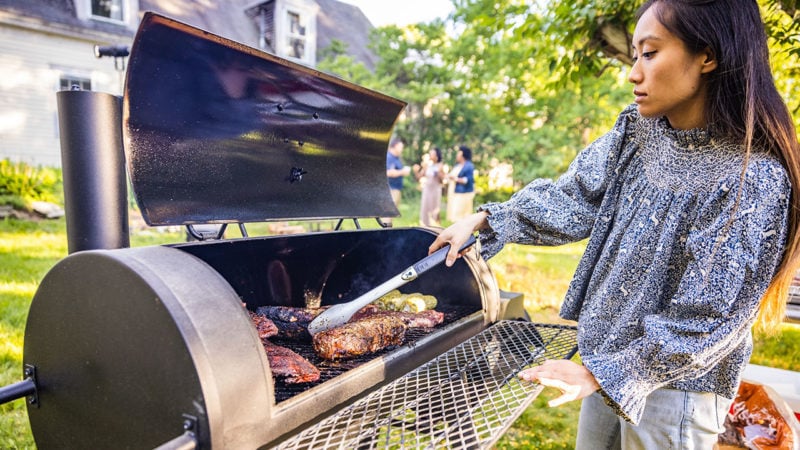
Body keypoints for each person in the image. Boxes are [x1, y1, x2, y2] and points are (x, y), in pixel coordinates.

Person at [429, 0, 800, 448]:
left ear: (708, 56)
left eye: (650, 53)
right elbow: (576, 196)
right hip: (603, 363)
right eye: (636, 54)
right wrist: (488, 219)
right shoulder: (638, 131)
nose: (633, 73)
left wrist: (604, 374)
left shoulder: (752, 177)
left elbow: (709, 317)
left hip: (675, 392)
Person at [414, 147, 446, 227]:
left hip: (436, 189)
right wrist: (416, 171)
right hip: (427, 189)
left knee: (434, 208)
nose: (430, 155)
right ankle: (424, 225)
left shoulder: (440, 165)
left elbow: (442, 181)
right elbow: (419, 177)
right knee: (425, 207)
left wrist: (439, 173)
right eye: (430, 153)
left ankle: (435, 225)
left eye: (432, 154)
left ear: (437, 156)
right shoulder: (427, 165)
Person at [385, 136, 411, 225]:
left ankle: (389, 230)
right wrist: (403, 172)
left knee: (392, 213)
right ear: (395, 145)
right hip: (390, 189)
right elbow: (387, 172)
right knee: (387, 213)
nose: (402, 149)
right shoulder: (389, 157)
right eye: (401, 147)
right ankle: (385, 232)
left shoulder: (396, 158)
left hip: (396, 188)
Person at [447, 145, 475, 222]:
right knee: (455, 213)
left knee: (461, 214)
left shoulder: (469, 166)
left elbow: (467, 180)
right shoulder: (457, 166)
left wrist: (455, 178)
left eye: (458, 154)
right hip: (455, 192)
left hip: (464, 193)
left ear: (463, 155)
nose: (457, 156)